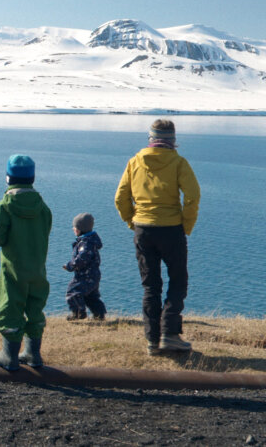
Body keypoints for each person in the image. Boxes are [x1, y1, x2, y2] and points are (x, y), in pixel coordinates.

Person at [114, 119, 200, 355]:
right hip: (172, 230)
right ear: (173, 140)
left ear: (150, 138)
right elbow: (193, 196)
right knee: (178, 281)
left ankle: (152, 340)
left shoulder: (135, 162)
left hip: (143, 229)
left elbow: (120, 198)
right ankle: (169, 335)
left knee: (151, 286)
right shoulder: (179, 163)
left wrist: (132, 221)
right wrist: (186, 225)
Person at [0, 155, 52, 371]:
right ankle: (33, 354)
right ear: (32, 178)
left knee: (9, 305)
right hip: (37, 267)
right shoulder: (42, 207)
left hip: (13, 267)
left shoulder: (5, 206)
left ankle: (9, 355)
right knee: (35, 306)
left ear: (8, 178)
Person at [63, 212, 107, 321]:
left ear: (79, 230)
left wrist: (70, 266)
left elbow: (81, 259)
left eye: (74, 227)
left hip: (85, 276)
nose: (73, 229)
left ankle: (78, 313)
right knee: (91, 296)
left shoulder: (86, 244)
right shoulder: (91, 240)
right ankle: (99, 314)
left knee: (73, 292)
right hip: (93, 275)